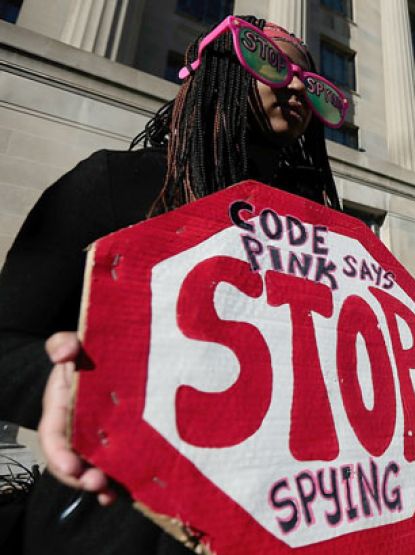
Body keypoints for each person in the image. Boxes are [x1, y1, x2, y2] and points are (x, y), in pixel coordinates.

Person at [0, 15, 347, 553]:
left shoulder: (317, 234)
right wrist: (57, 380)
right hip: (118, 523)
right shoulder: (115, 183)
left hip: (280, 520)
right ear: (216, 71)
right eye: (269, 62)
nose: (297, 85)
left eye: (312, 80)